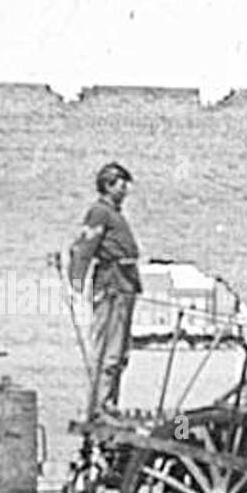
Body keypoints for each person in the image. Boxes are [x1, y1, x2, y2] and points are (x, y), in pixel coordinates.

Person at [68, 162, 142, 418]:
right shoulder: (99, 212)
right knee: (108, 353)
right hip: (111, 286)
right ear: (109, 185)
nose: (125, 189)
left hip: (125, 284)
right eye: (122, 184)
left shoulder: (114, 214)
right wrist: (76, 285)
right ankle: (100, 406)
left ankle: (109, 402)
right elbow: (83, 248)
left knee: (120, 352)